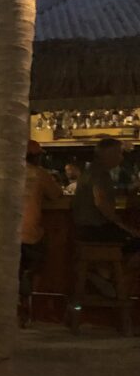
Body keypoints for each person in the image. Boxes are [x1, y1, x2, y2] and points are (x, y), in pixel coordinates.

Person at [19, 141, 63, 326]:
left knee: (16, 267)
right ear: (36, 157)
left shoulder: (5, 174)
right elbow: (57, 195)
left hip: (4, 238)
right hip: (29, 236)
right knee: (38, 258)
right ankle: (28, 294)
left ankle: (20, 297)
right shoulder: (39, 174)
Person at [72, 138, 140, 252]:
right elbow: (100, 202)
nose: (121, 157)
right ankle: (118, 268)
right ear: (109, 154)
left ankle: (106, 268)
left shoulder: (91, 171)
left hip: (84, 229)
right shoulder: (100, 174)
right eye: (119, 153)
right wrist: (122, 225)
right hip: (95, 231)